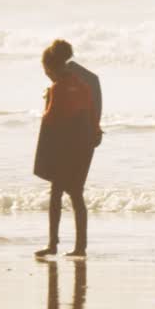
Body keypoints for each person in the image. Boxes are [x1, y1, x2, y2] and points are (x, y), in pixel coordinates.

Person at [34, 40, 97, 257]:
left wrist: (48, 98)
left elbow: (51, 118)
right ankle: (81, 246)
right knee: (77, 195)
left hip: (64, 149)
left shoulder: (58, 88)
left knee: (56, 195)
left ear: (52, 68)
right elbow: (89, 113)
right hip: (81, 147)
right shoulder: (84, 85)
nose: (47, 75)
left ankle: (53, 244)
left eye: (46, 71)